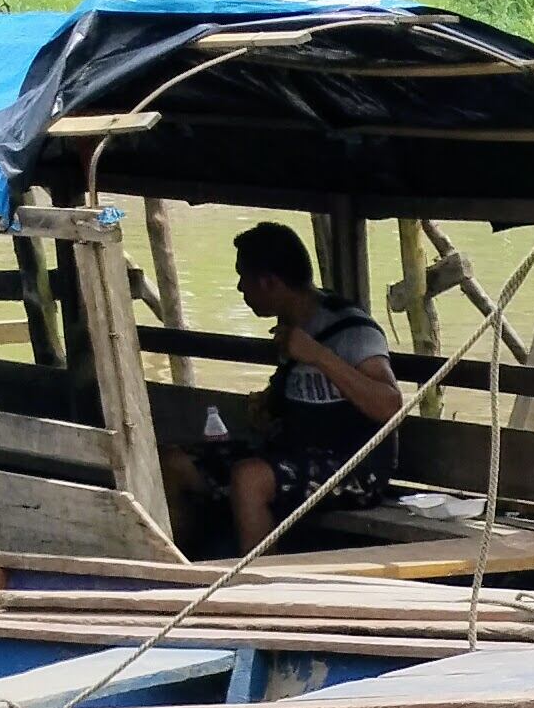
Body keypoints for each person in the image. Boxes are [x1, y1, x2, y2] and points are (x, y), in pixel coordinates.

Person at [169, 223, 405, 552]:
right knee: (176, 463)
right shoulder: (290, 325)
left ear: (268, 282)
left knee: (250, 479)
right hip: (295, 457)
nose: (239, 288)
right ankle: (185, 574)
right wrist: (270, 409)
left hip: (355, 470)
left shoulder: (351, 330)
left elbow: (390, 406)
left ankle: (261, 594)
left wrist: (318, 355)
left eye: (243, 278)